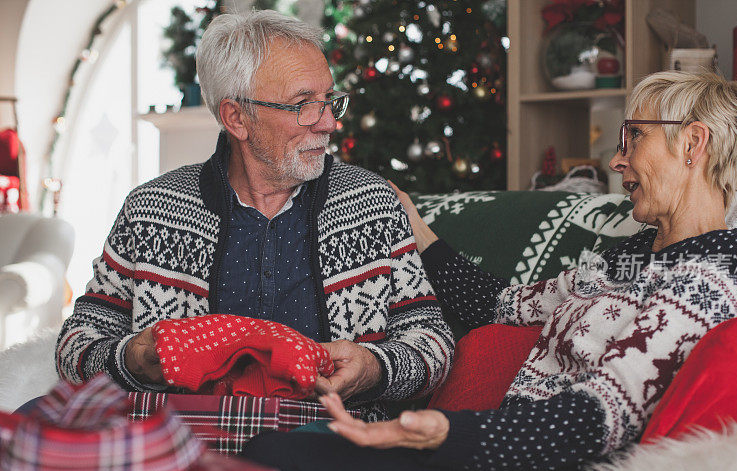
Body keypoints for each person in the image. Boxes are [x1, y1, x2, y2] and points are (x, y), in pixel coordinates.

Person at [241, 70, 737, 471]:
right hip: (496, 463)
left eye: (633, 137)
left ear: (692, 144)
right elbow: (499, 307)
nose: (616, 159)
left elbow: (604, 415)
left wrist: (443, 434)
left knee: (284, 468)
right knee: (273, 459)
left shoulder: (721, 262)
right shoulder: (628, 256)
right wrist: (416, 227)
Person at [55, 10, 453, 407]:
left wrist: (375, 367)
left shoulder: (372, 202)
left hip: (335, 450)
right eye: (304, 104)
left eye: (329, 100)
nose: (330, 122)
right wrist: (135, 360)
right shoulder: (150, 209)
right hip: (185, 448)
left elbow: (432, 340)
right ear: (237, 118)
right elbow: (75, 347)